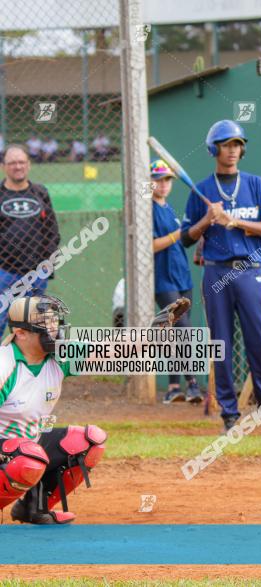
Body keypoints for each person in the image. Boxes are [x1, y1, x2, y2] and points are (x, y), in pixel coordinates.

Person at [180, 120, 261, 434]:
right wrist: (207, 219)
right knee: (222, 344)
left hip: (249, 270)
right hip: (216, 271)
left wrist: (234, 222)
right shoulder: (201, 188)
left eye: (237, 144)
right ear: (214, 149)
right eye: (226, 144)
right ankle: (229, 414)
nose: (232, 151)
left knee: (260, 341)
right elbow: (187, 238)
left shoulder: (254, 184)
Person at [0, 295, 107, 524]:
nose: (54, 329)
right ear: (21, 333)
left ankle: (34, 508)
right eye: (45, 324)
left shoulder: (58, 357)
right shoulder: (5, 365)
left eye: (54, 322)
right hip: (7, 449)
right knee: (28, 457)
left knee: (89, 441)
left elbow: (110, 350)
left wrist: (152, 335)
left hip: (27, 446)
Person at [150, 159, 203, 405]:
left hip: (182, 275)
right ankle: (189, 383)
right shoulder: (147, 208)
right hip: (163, 279)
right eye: (158, 179)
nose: (163, 184)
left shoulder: (170, 209)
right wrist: (177, 234)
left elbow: (182, 240)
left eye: (167, 180)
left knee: (178, 332)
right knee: (181, 330)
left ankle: (175, 387)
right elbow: (151, 245)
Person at [0, 145, 61, 333]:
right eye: (12, 163)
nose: (17, 166)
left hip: (35, 274)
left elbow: (52, 232)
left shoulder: (40, 192)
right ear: (3, 166)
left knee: (31, 328)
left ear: (29, 165)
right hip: (4, 272)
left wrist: (44, 265)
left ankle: (25, 363)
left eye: (21, 162)